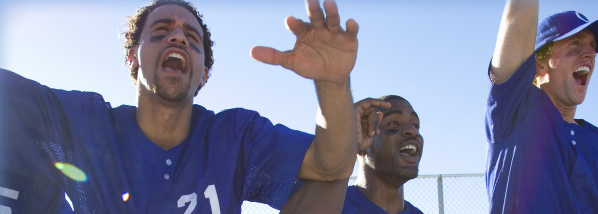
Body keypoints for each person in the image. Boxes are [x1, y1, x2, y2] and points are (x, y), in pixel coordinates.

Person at [0, 0, 375, 213]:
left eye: (191, 38)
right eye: (161, 31)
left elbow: (331, 164)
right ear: (134, 57)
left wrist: (332, 84)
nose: (177, 35)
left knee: (330, 181)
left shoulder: (234, 136)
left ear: (204, 74)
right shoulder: (86, 123)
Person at [484, 0, 598, 213]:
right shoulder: (516, 109)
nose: (591, 54)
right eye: (575, 43)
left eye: (592, 46)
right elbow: (518, 22)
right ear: (539, 65)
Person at [281, 96, 425, 214]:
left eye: (415, 125)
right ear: (361, 135)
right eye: (393, 123)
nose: (413, 132)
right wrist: (344, 147)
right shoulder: (325, 204)